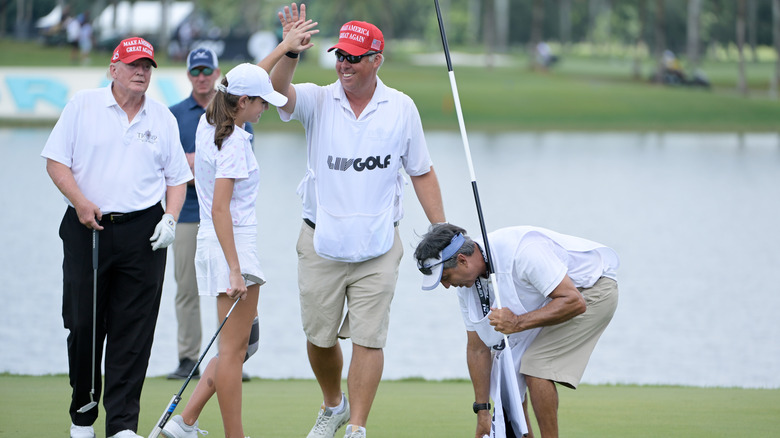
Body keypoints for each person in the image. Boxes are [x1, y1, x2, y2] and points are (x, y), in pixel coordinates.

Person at [270, 5, 446, 438]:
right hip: (320, 240)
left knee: (370, 338)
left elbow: (421, 171)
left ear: (376, 61)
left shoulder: (401, 108)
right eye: (340, 56)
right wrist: (289, 52)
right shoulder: (316, 99)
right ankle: (334, 405)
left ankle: (357, 427)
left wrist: (444, 233)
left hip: (379, 244)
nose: (344, 64)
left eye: (353, 57)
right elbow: (277, 93)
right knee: (320, 338)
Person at [161, 18, 318, 438]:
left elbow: (242, 79)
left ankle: (186, 422)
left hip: (223, 248)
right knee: (233, 353)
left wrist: (285, 47)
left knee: (239, 348)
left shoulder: (214, 118)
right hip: (232, 249)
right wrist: (235, 269)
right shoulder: (231, 143)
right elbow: (218, 210)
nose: (267, 107)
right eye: (261, 102)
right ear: (243, 103)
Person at [41, 37, 192, 438]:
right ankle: (83, 417)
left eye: (147, 66)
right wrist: (79, 201)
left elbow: (177, 179)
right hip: (86, 227)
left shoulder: (162, 118)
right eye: (133, 65)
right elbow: (55, 161)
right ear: (113, 68)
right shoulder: (83, 106)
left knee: (134, 330)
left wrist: (171, 220)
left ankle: (122, 425)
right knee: (83, 323)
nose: (141, 72)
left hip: (144, 233)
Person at [414, 223, 619, 438]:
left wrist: (518, 323)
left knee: (536, 366)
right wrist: (482, 412)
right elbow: (477, 349)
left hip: (591, 290)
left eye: (445, 278)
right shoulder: (466, 286)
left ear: (462, 261)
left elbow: (573, 301)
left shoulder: (523, 252)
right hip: (548, 299)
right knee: (505, 373)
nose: (446, 286)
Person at [167, 48, 257, 382]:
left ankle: (229, 358)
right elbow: (169, 166)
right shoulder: (177, 114)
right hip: (189, 213)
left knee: (229, 292)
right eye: (196, 71)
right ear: (189, 74)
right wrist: (195, 165)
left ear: (217, 74)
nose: (202, 76)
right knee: (188, 289)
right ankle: (189, 358)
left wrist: (195, 163)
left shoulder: (238, 115)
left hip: (222, 217)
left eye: (207, 71)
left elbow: (236, 172)